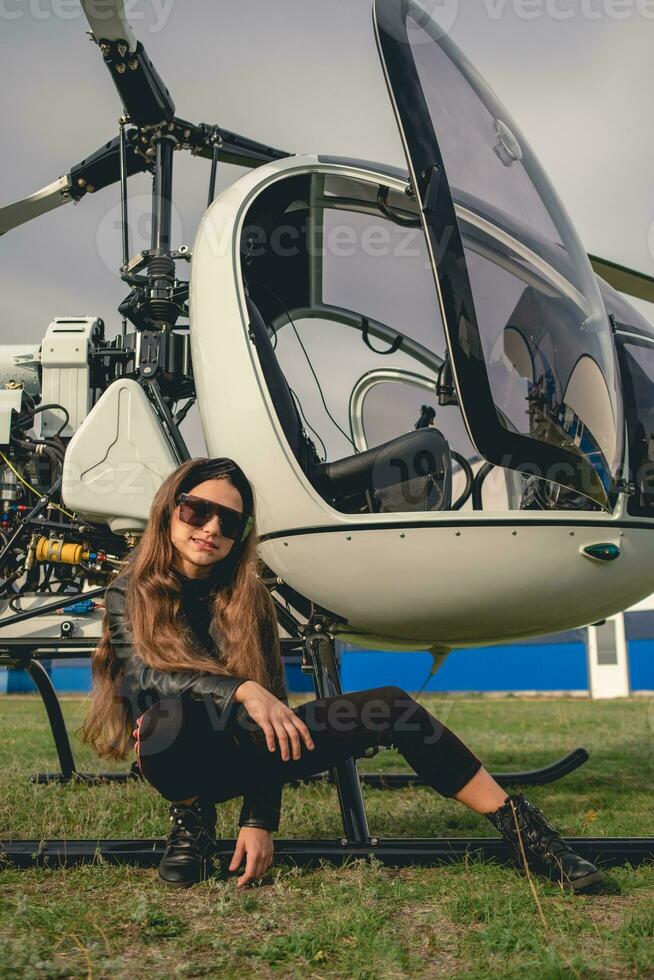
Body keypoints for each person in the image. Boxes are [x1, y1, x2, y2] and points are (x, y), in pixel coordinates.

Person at [82, 456, 602, 892]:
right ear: (169, 511)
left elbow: (277, 720)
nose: (212, 528)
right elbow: (144, 677)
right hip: (182, 752)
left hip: (252, 749)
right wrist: (240, 689)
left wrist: (260, 821)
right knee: (164, 719)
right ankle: (193, 822)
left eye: (230, 521)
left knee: (392, 705)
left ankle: (524, 834)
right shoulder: (129, 591)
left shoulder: (248, 598)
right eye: (197, 510)